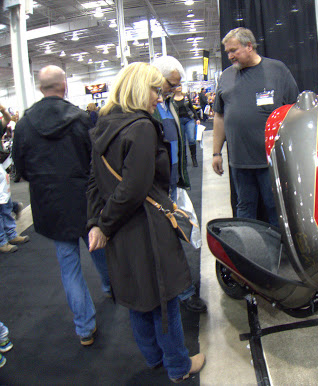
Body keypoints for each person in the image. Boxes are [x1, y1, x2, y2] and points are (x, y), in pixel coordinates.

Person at [86, 62, 205, 382]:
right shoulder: (141, 126)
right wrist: (104, 223)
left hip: (121, 231)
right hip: (147, 226)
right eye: (155, 89)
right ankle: (179, 365)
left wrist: (98, 223)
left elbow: (95, 183)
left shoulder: (103, 125)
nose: (159, 96)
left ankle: (153, 357)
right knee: (164, 300)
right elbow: (135, 188)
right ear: (141, 88)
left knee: (137, 298)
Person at [12, 65, 111, 346]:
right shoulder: (81, 119)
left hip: (49, 204)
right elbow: (95, 161)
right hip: (84, 199)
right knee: (97, 246)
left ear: (40, 88)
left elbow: (21, 167)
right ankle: (110, 286)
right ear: (64, 86)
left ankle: (84, 329)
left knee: (69, 267)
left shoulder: (24, 124)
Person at [212, 27, 299, 227]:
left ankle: (278, 254)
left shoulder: (277, 71)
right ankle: (249, 254)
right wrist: (216, 152)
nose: (230, 56)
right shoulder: (226, 76)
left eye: (234, 50)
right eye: (227, 52)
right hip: (239, 162)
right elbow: (219, 116)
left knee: (273, 208)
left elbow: (294, 110)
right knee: (244, 209)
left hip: (271, 160)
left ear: (249, 46)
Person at [152, 55, 207, 314]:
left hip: (171, 181)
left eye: (176, 85)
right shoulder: (148, 106)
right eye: (171, 83)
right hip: (157, 188)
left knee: (174, 237)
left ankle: (178, 290)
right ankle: (181, 293)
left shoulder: (165, 104)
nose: (175, 89)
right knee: (169, 240)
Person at [172, 85, 200, 167]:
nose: (179, 87)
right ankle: (184, 159)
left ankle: (194, 158)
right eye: (177, 86)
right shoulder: (171, 99)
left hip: (189, 119)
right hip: (179, 121)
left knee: (191, 139)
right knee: (182, 141)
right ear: (173, 88)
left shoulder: (186, 96)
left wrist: (197, 118)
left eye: (180, 85)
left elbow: (191, 107)